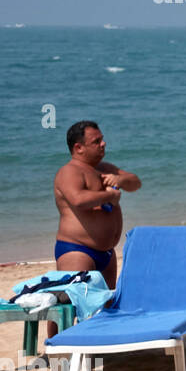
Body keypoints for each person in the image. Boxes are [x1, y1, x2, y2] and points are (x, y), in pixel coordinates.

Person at [53, 121, 141, 336]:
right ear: (78, 148)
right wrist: (110, 195)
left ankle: (102, 344)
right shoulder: (69, 172)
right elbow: (78, 199)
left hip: (107, 252)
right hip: (78, 250)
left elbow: (136, 183)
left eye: (102, 139)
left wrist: (120, 179)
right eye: (96, 141)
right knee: (67, 303)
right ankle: (55, 345)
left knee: (106, 303)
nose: (103, 143)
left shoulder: (105, 169)